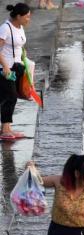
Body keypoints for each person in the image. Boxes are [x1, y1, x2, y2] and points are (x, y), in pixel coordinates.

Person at [0, 3, 30, 140]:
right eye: (27, 16)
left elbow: (19, 45)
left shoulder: (21, 27)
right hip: (6, 68)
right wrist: (5, 67)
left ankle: (7, 128)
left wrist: (24, 56)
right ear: (18, 16)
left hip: (17, 66)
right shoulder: (5, 28)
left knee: (10, 96)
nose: (29, 19)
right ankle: (5, 129)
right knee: (10, 97)